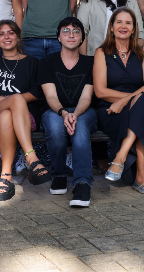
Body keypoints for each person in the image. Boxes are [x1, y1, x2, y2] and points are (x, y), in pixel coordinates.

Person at [93, 8, 144, 195]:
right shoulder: (101, 52)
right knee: (143, 104)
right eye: (119, 22)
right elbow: (100, 91)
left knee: (142, 105)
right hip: (110, 110)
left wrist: (125, 101)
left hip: (131, 106)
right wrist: (129, 100)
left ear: (133, 29)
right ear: (112, 27)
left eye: (128, 23)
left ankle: (120, 157)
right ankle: (141, 178)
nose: (123, 26)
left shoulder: (143, 52)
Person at [0, 20, 50, 201]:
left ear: (18, 37)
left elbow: (38, 93)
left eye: (11, 32)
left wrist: (9, 99)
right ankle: (32, 158)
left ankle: (5, 177)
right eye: (1, 34)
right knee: (7, 109)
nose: (7, 37)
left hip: (25, 117)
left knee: (9, 112)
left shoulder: (32, 62)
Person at [39, 17, 98, 207]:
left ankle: (82, 183)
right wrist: (64, 113)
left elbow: (87, 98)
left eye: (76, 31)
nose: (71, 35)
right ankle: (59, 174)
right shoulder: (47, 62)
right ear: (58, 37)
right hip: (56, 110)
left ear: (82, 38)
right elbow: (51, 97)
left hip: (85, 110)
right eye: (66, 31)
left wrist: (75, 114)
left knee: (80, 127)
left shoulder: (91, 62)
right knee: (55, 127)